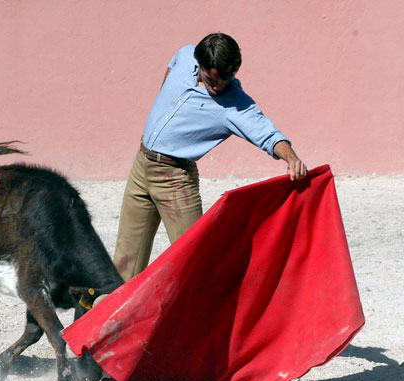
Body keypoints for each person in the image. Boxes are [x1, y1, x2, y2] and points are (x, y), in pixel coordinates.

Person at [113, 32, 307, 281]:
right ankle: (113, 320)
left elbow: (267, 133)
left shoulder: (235, 104)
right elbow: (173, 65)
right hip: (141, 166)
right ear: (199, 64)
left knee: (195, 264)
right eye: (212, 80)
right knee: (124, 264)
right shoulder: (186, 56)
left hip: (174, 181)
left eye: (225, 80)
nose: (219, 87)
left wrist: (291, 158)